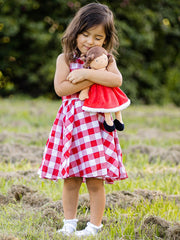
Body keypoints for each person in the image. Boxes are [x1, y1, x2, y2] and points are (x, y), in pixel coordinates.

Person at [38, 2, 128, 237]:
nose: (90, 41)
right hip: (73, 127)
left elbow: (116, 81)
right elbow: (62, 88)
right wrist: (97, 77)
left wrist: (88, 73)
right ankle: (69, 223)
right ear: (75, 31)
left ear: (106, 41)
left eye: (98, 37)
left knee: (95, 180)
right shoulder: (65, 59)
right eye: (85, 34)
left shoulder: (106, 60)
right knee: (70, 179)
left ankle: (94, 226)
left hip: (96, 129)